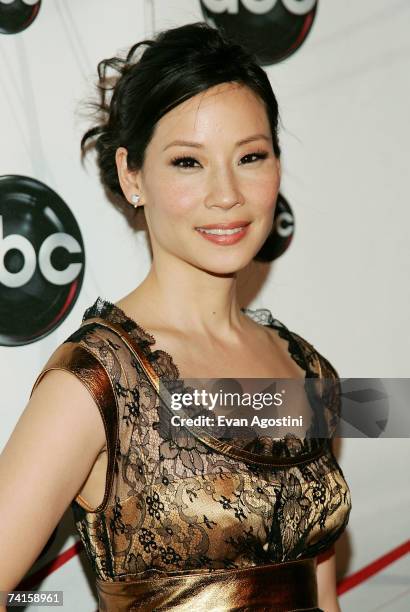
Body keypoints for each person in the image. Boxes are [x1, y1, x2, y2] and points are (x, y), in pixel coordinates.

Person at [0, 22, 351, 612]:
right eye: (189, 162)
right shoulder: (97, 383)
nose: (227, 194)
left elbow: (321, 590)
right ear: (133, 176)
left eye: (251, 156)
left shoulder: (305, 369)